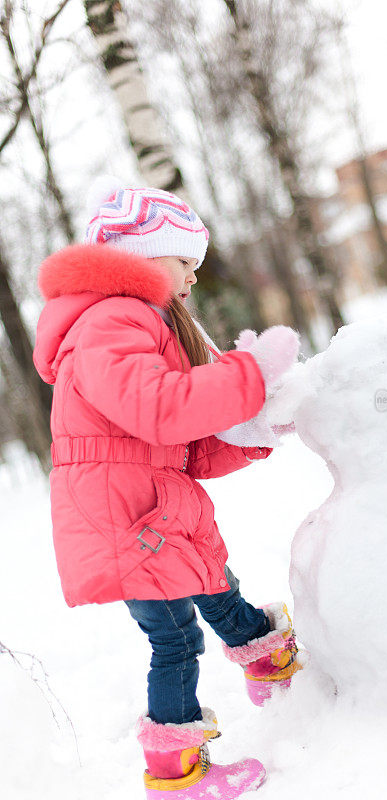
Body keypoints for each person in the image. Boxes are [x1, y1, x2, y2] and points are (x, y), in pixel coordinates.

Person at [33, 179, 302, 799]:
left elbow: (183, 440)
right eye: (185, 262)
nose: (192, 279)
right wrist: (247, 377)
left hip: (150, 503)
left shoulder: (129, 320)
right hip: (127, 516)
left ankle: (269, 668)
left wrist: (257, 428)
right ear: (143, 254)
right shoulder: (110, 320)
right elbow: (158, 407)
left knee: (214, 585)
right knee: (175, 637)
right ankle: (177, 774)